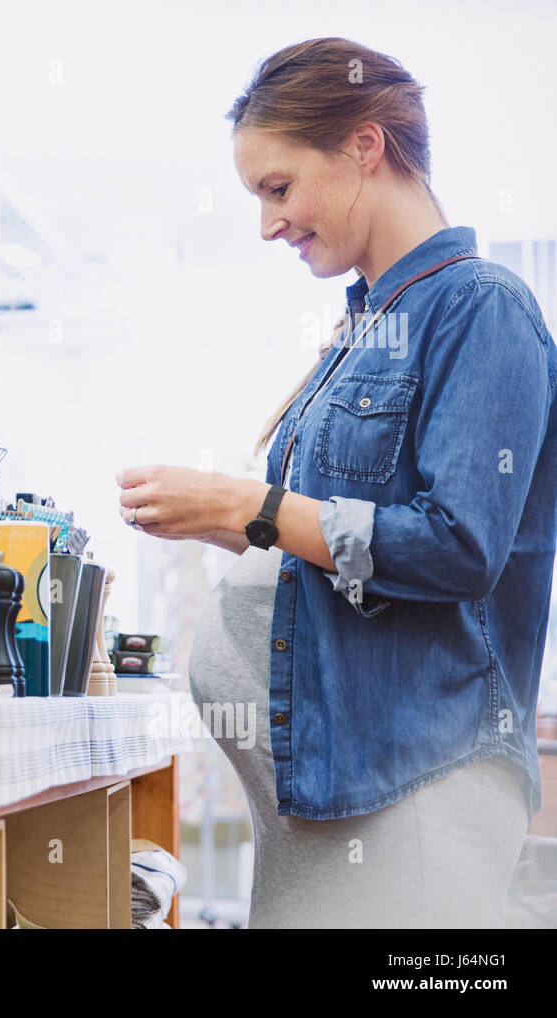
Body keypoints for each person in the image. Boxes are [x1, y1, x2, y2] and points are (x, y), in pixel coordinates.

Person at [116, 37, 557, 928]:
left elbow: (458, 547)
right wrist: (227, 522)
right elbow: (338, 539)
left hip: (414, 792)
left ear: (365, 145)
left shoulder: (483, 309)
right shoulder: (366, 327)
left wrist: (253, 506)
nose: (268, 224)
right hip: (330, 794)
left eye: (278, 189)